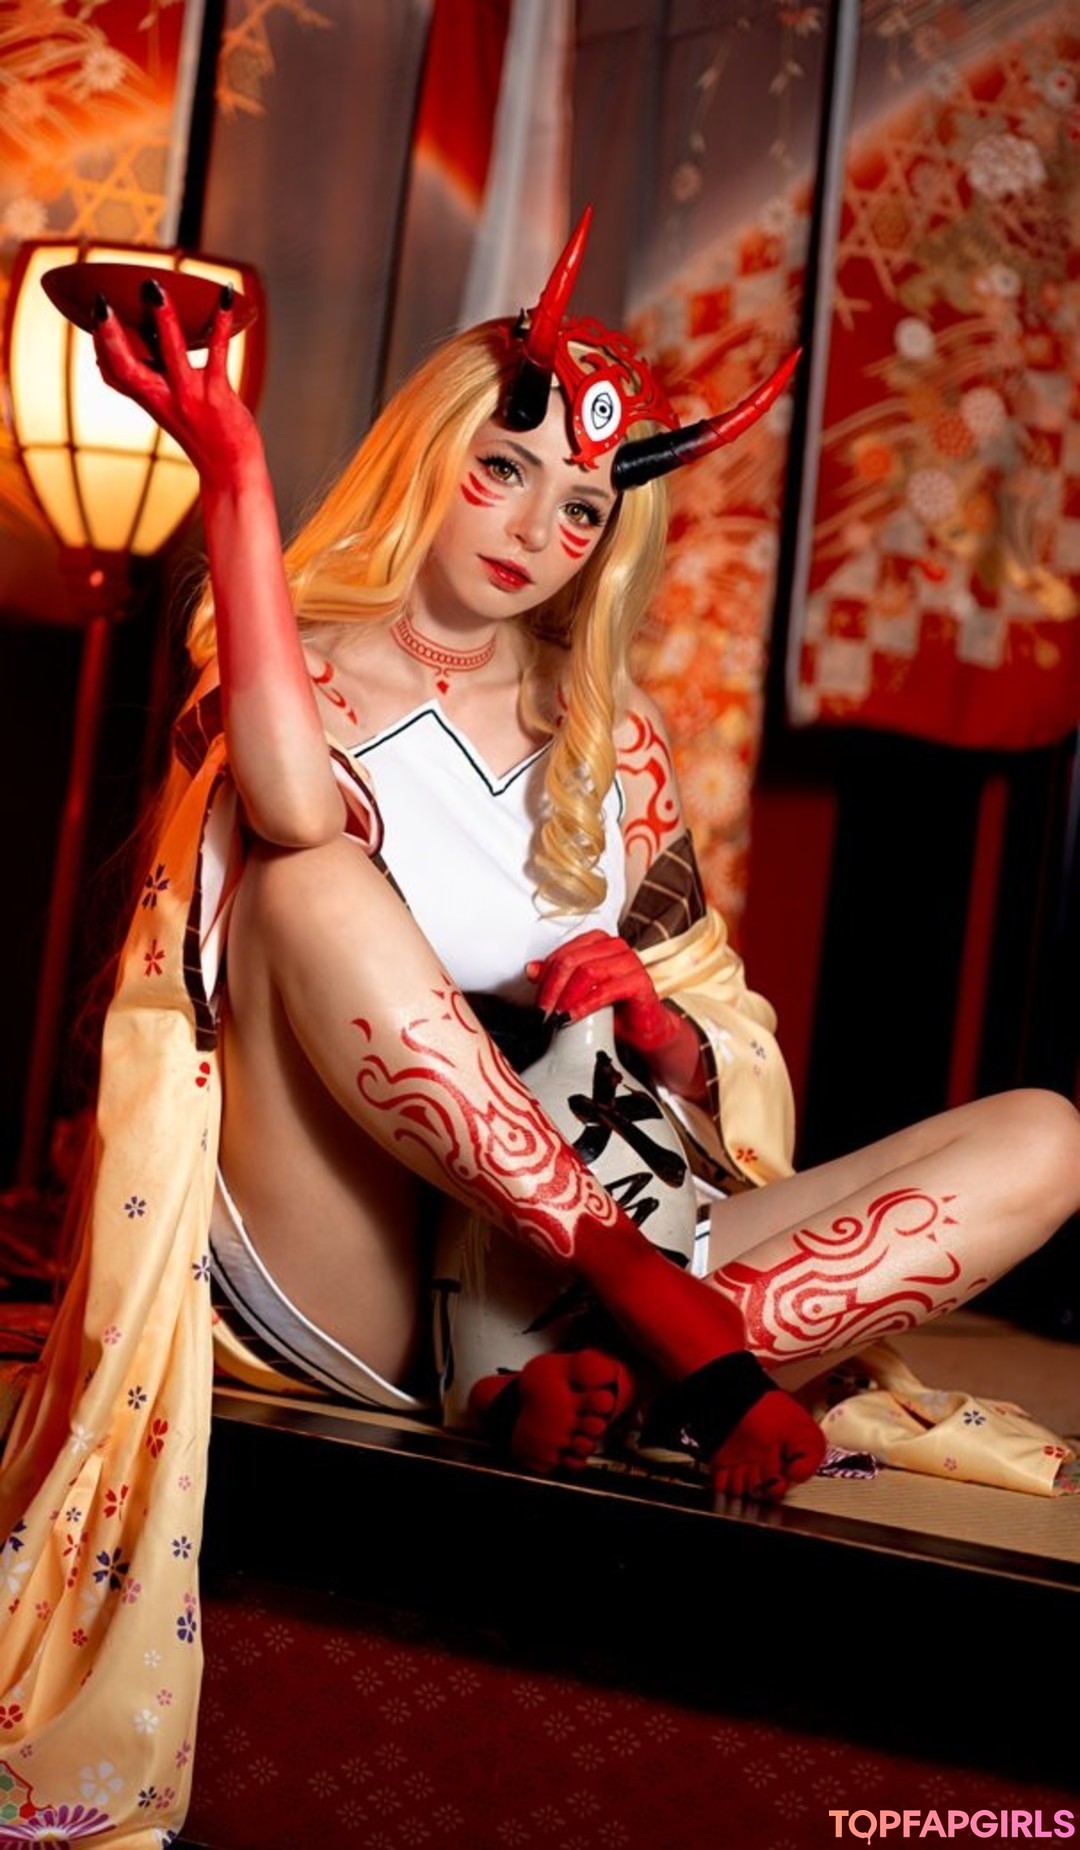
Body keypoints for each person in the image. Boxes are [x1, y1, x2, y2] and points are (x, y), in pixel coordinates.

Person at [2, 210, 1077, 1844]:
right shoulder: (281, 648)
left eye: (583, 506)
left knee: (1050, 1132)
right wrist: (234, 478)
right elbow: (286, 807)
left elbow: (717, 1032)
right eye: (504, 469)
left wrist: (664, 1024)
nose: (537, 528)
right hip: (355, 1248)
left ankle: (567, 1385)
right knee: (313, 882)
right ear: (430, 453)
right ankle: (648, 1319)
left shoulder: (613, 745)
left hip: (565, 1266)